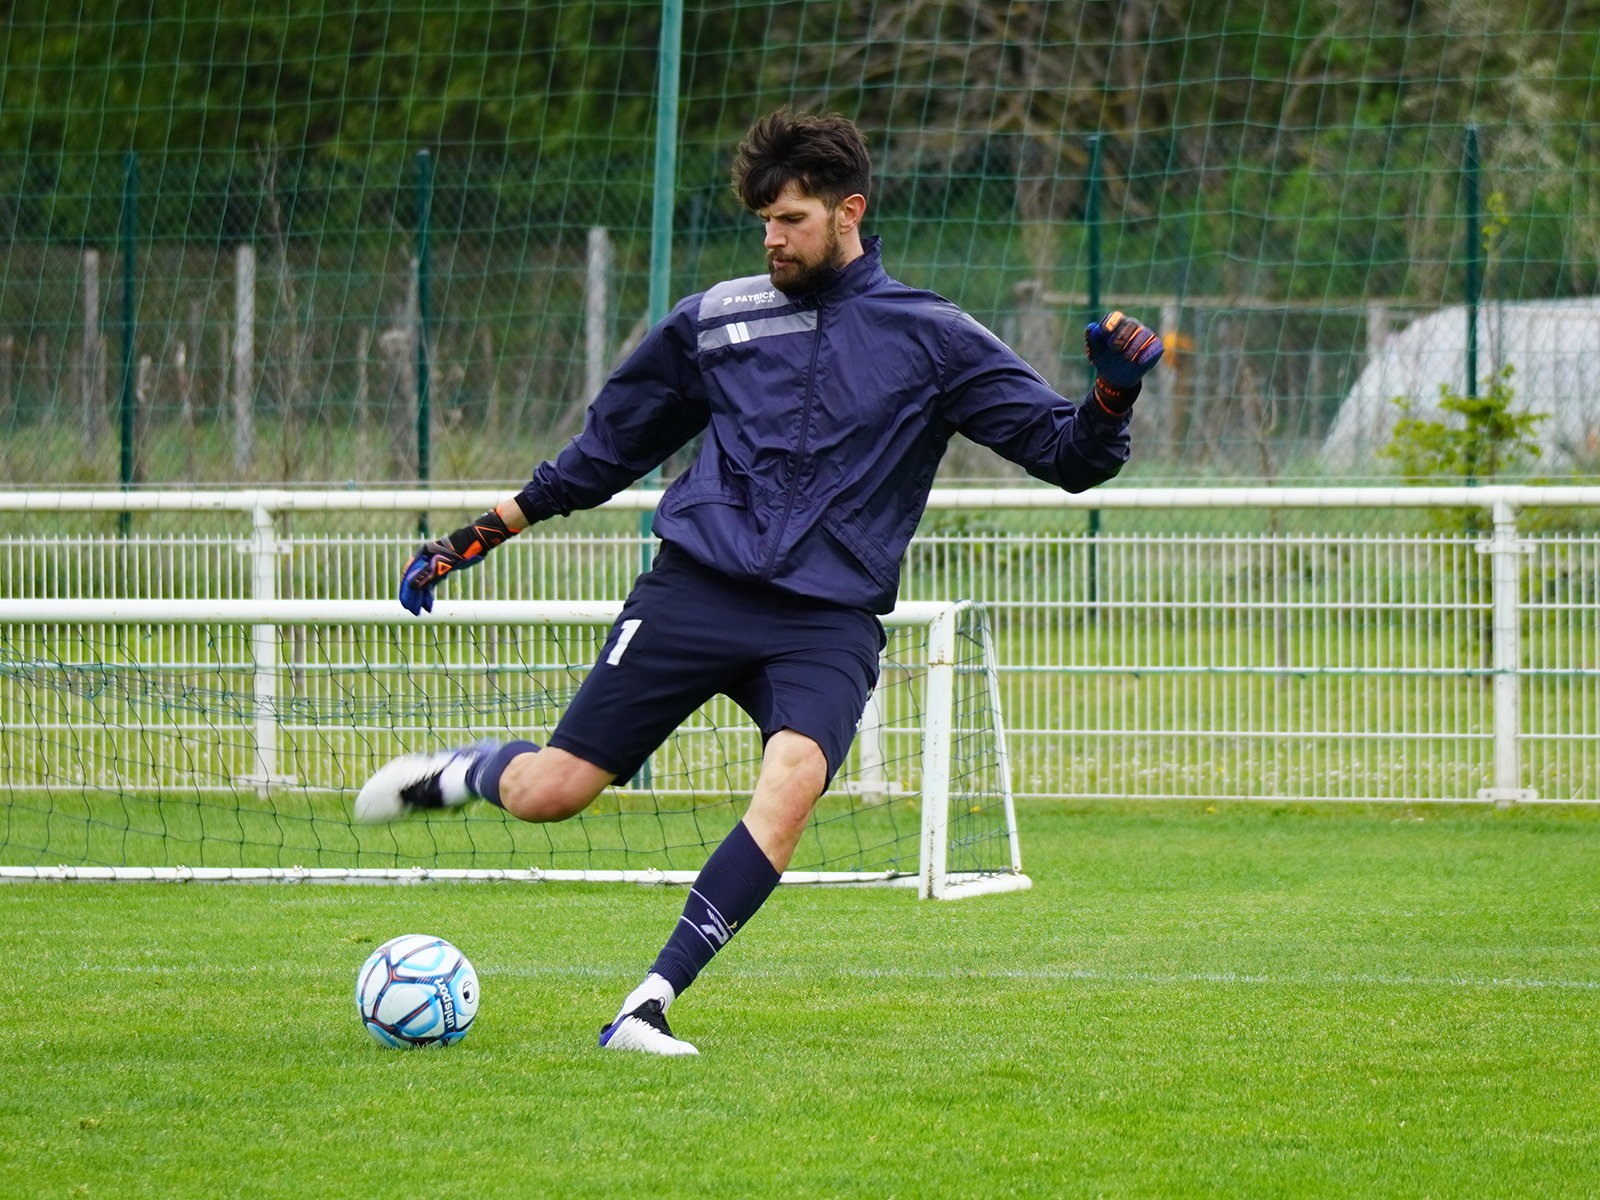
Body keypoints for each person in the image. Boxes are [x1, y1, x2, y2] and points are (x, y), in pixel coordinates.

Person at [355, 108, 1163, 1056]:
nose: (772, 239)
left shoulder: (933, 337)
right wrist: (481, 534)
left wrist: (1111, 396)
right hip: (696, 590)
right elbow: (608, 449)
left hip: (827, 619)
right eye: (764, 222)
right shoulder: (716, 318)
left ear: (849, 212)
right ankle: (465, 773)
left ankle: (646, 1005)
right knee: (552, 794)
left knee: (793, 782)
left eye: (791, 220)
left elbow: (1068, 456)